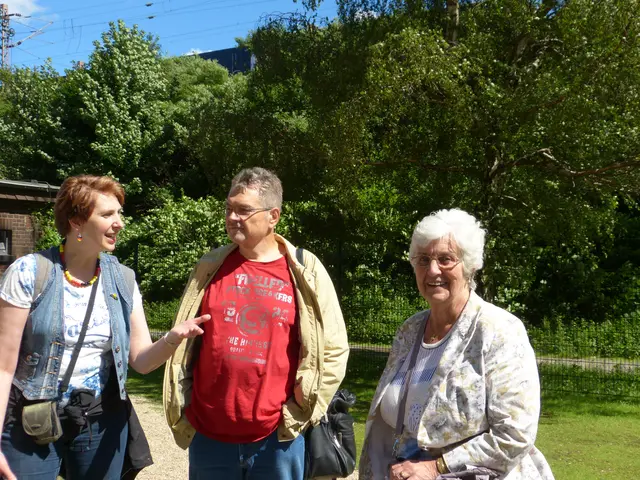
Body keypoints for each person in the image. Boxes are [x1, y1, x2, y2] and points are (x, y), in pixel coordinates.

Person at [0, 175, 211, 480]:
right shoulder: (30, 273)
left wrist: (172, 338)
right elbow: (4, 366)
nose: (119, 223)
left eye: (119, 213)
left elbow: (141, 361)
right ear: (76, 221)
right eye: (107, 214)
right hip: (32, 419)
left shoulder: (122, 279)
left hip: (99, 421)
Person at [163, 167, 350, 480]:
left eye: (244, 210)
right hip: (208, 437)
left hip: (276, 440)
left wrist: (301, 412)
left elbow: (334, 349)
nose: (232, 217)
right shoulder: (210, 266)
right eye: (229, 208)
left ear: (273, 216)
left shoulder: (305, 270)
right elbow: (185, 343)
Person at [359, 209, 554, 480]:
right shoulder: (409, 330)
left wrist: (436, 466)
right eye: (423, 260)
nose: (433, 270)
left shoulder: (499, 330)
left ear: (469, 265)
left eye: (446, 259)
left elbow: (514, 434)